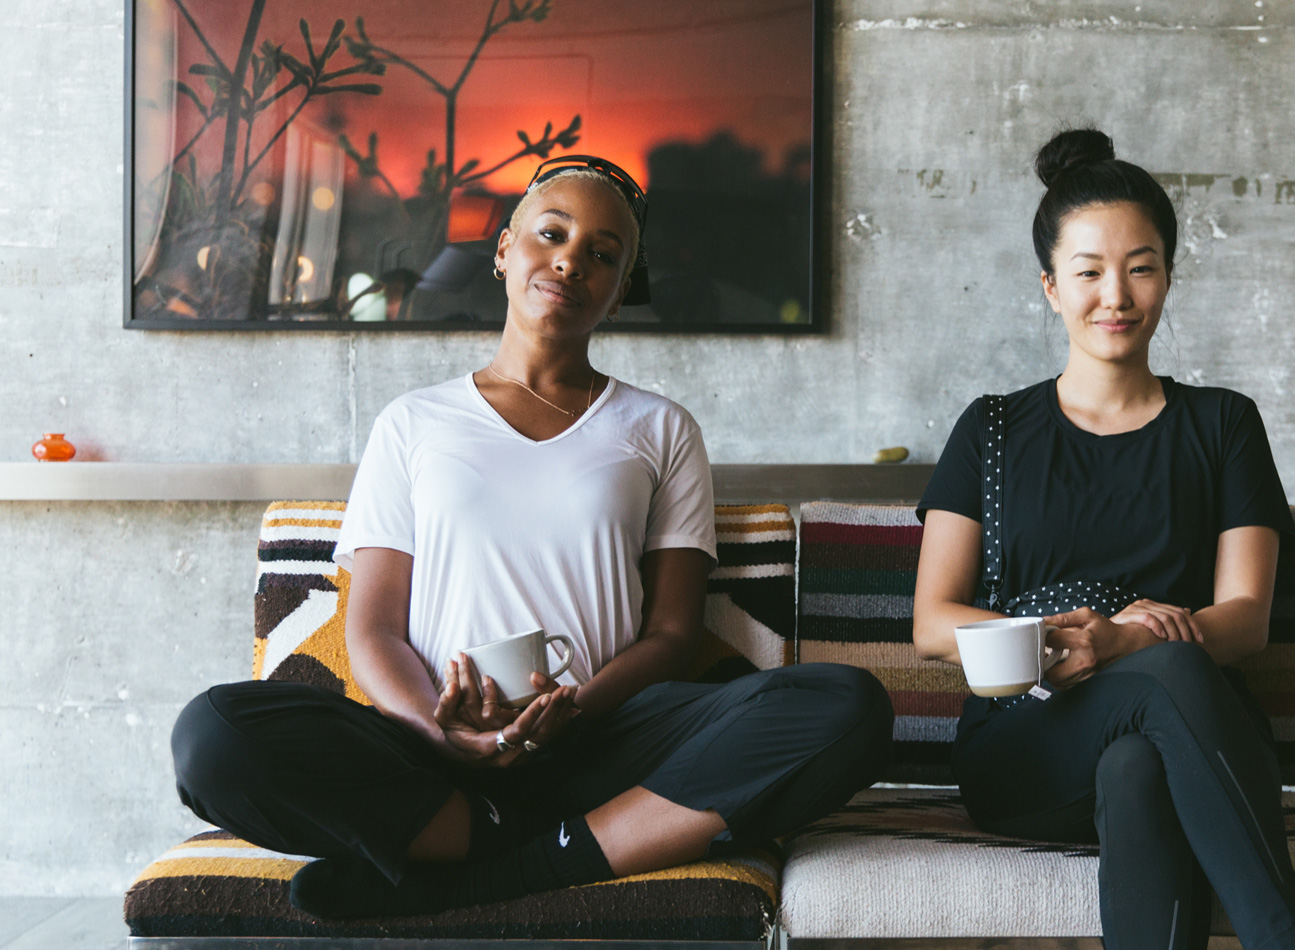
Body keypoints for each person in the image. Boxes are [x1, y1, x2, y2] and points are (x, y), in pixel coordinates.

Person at [171, 155, 893, 919]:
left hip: (606, 743)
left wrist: (572, 709)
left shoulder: (660, 428)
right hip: (430, 756)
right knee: (214, 734)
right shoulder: (413, 423)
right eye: (551, 233)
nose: (572, 259)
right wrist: (440, 728)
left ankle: (498, 872)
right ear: (504, 253)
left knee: (848, 705)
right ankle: (502, 836)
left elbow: (674, 634)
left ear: (617, 296)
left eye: (604, 255)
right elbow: (374, 627)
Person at [912, 130, 1295, 950]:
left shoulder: (1223, 423)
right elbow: (931, 622)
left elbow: (1246, 617)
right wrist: (1076, 644)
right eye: (1089, 271)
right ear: (1050, 287)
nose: (1117, 294)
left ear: (1168, 276)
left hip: (1186, 734)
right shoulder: (991, 429)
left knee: (1137, 760)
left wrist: (1125, 640)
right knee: (1165, 667)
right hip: (1030, 740)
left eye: (1141, 267)